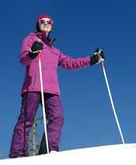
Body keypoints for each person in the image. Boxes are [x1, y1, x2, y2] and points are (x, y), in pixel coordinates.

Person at [9, 14, 104, 158]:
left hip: (52, 89)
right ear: (38, 24)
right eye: (43, 21)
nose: (46, 23)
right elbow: (23, 59)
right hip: (33, 86)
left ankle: (48, 150)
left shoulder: (55, 52)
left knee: (58, 116)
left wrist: (92, 59)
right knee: (27, 119)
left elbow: (71, 63)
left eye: (49, 22)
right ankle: (17, 154)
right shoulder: (30, 39)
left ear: (52, 26)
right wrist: (33, 52)